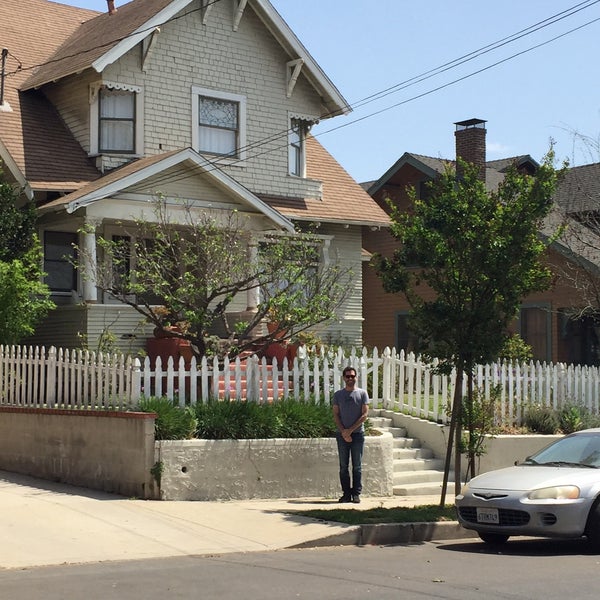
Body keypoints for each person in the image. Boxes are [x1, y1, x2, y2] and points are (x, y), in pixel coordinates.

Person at [332, 366, 369, 503]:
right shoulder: (338, 395)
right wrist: (343, 431)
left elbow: (364, 414)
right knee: (343, 466)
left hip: (358, 435)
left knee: (357, 466)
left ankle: (356, 494)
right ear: (343, 378)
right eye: (347, 376)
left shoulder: (362, 393)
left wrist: (350, 430)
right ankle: (346, 494)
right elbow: (336, 414)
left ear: (356, 377)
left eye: (352, 376)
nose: (350, 379)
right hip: (342, 436)